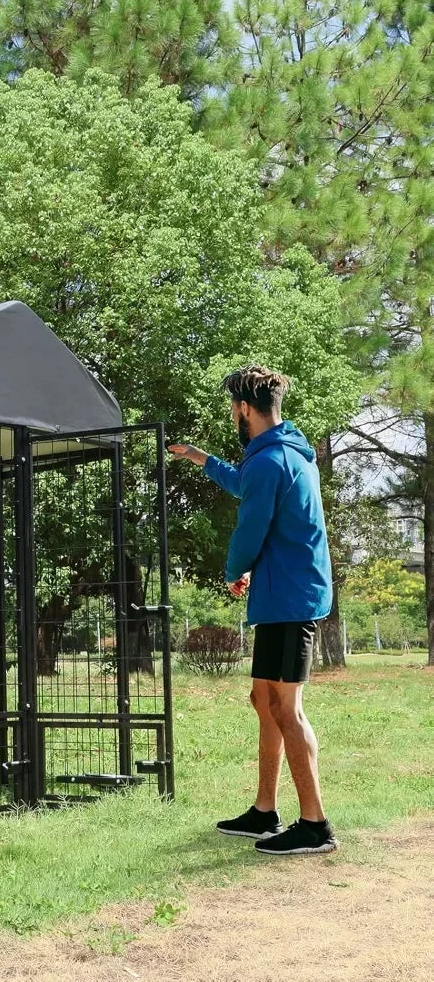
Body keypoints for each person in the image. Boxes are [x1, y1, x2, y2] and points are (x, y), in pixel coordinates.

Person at [169, 365, 338, 856]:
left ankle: (315, 825)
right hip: (280, 595)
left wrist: (233, 569)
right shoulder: (281, 453)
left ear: (244, 408)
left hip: (291, 599)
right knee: (264, 701)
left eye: (232, 409)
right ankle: (265, 811)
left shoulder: (271, 460)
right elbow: (248, 483)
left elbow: (251, 527)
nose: (232, 416)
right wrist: (201, 458)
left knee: (287, 709)